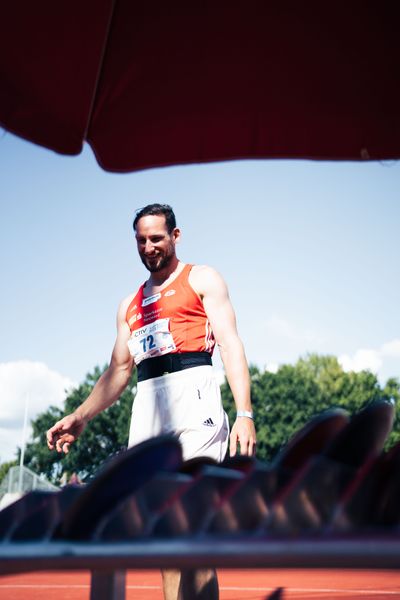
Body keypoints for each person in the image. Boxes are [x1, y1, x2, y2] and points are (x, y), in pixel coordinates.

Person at [47, 203, 256, 600]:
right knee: (164, 531)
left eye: (156, 238)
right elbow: (118, 371)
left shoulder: (202, 279)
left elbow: (230, 345)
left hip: (195, 396)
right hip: (148, 404)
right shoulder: (129, 304)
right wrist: (81, 416)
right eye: (141, 240)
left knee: (190, 524)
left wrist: (244, 412)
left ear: (175, 236)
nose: (148, 247)